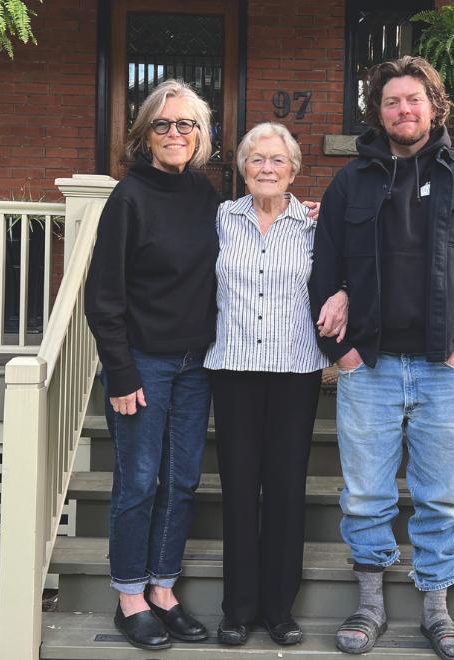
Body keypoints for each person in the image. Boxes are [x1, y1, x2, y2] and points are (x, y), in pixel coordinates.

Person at [309, 56, 454, 660]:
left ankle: (436, 609)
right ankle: (369, 604)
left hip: (442, 369)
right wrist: (340, 354)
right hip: (367, 367)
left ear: (433, 106)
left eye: (413, 100)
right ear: (379, 111)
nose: (404, 110)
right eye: (392, 101)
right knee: (366, 495)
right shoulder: (351, 183)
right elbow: (322, 269)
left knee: (442, 497)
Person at [84, 79, 218, 651]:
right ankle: (130, 598)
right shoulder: (128, 198)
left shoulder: (207, 196)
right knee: (138, 483)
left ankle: (163, 590)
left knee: (182, 481)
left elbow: (246, 239)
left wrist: (295, 212)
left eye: (185, 124)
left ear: (200, 135)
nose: (175, 134)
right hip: (144, 363)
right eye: (162, 125)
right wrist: (120, 372)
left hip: (197, 364)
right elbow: (103, 296)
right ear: (144, 135)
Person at [204, 122, 346, 647]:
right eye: (257, 159)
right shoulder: (220, 219)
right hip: (233, 367)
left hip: (295, 369)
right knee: (239, 489)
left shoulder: (314, 226)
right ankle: (238, 609)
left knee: (286, 489)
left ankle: (279, 610)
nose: (266, 168)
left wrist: (346, 295)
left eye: (277, 160)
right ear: (243, 169)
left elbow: (344, 271)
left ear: (293, 171)